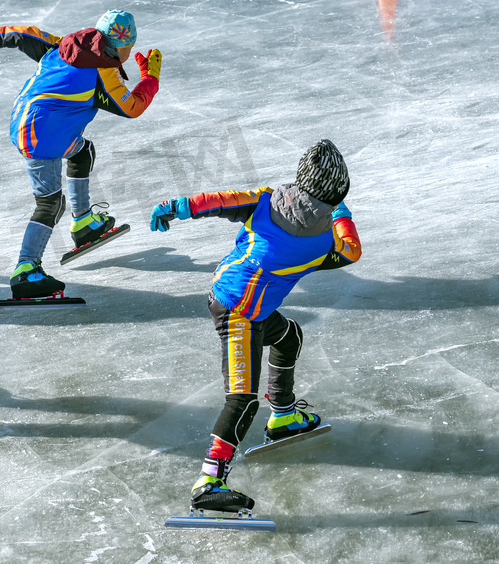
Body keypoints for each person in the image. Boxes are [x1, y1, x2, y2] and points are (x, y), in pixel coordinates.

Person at [149, 139, 362, 514]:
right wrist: (340, 210)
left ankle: (283, 417)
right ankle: (209, 481)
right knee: (242, 398)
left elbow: (221, 200)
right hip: (237, 314)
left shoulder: (266, 199)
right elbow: (351, 251)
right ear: (338, 192)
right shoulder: (326, 241)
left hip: (242, 302)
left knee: (289, 337)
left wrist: (176, 207)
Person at [0, 10, 163, 299]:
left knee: (82, 152)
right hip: (42, 136)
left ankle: (85, 223)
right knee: (50, 203)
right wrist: (150, 77)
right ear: (120, 47)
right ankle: (26, 269)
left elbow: (20, 33)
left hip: (29, 122)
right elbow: (132, 107)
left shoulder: (64, 44)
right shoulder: (104, 75)